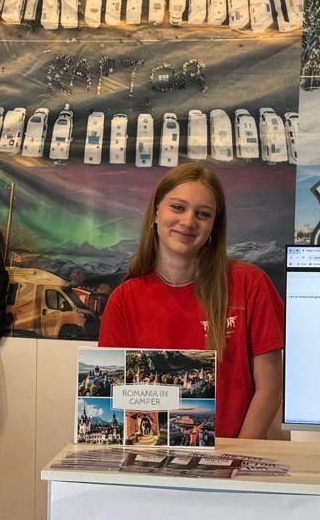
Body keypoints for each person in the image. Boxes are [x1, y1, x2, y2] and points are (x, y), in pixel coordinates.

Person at [99, 163, 284, 439]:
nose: (188, 222)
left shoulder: (250, 284)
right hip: (154, 459)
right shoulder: (124, 299)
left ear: (214, 225)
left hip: (236, 457)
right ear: (156, 212)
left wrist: (236, 458)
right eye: (178, 207)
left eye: (203, 214)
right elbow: (120, 398)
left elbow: (269, 389)